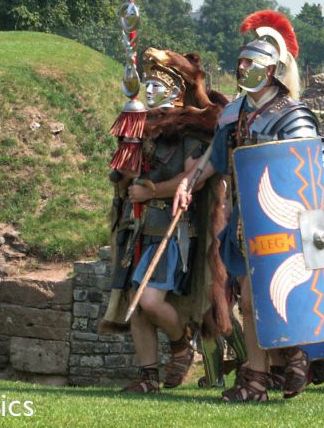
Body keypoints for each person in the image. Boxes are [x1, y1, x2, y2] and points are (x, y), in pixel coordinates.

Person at [173, 10, 319, 403]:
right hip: (244, 221)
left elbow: (314, 170)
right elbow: (213, 161)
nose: (243, 68)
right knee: (251, 303)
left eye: (251, 63)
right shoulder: (235, 114)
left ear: (271, 70)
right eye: (241, 62)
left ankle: (294, 353)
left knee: (265, 299)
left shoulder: (293, 114)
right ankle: (258, 376)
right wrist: (188, 184)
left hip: (284, 223)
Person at [102, 48, 227, 393]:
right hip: (137, 226)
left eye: (159, 84)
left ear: (175, 89)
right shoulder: (141, 125)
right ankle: (148, 377)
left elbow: (195, 179)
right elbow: (126, 179)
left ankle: (180, 342)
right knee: (136, 305)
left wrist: (152, 190)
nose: (151, 89)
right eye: (150, 84)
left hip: (171, 230)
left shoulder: (190, 129)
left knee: (150, 300)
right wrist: (125, 172)